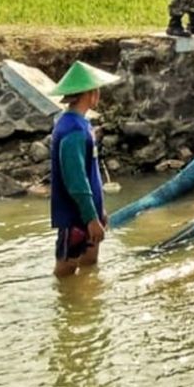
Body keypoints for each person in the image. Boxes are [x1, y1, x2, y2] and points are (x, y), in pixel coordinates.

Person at [49, 61, 121, 278]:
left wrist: (99, 211)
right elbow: (76, 179)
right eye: (96, 90)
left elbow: (89, 173)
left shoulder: (80, 124)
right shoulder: (72, 130)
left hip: (89, 211)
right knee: (67, 267)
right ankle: (67, 305)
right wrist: (90, 217)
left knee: (90, 262)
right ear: (90, 94)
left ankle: (87, 304)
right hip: (75, 214)